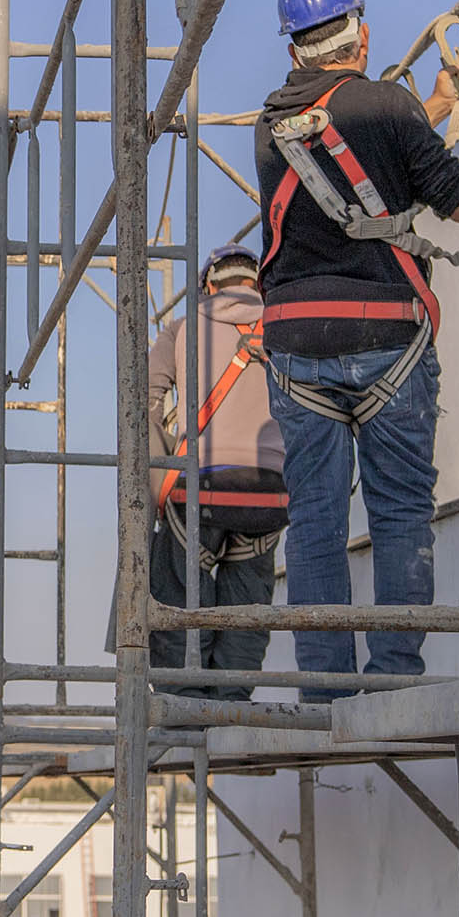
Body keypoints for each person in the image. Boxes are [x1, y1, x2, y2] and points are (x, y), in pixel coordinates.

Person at [251, 0, 459, 683]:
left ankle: (326, 691)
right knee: (399, 514)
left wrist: (434, 103)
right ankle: (394, 678)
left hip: (297, 340)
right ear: (361, 35)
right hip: (388, 338)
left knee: (315, 522)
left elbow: (348, 147)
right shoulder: (388, 106)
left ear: (294, 51)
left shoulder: (271, 128)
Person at [146, 245, 287, 696]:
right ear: (257, 283)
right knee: (247, 610)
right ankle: (232, 707)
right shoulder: (284, 326)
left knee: (179, 601)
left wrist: (159, 475)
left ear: (208, 285)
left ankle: (184, 709)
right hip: (269, 494)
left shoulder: (183, 328)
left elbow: (143, 401)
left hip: (200, 490)